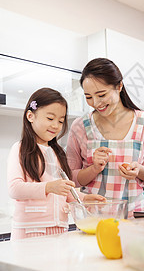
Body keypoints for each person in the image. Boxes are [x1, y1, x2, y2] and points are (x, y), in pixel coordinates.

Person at [66, 58, 144, 218]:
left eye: (101, 94)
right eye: (88, 97)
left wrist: (139, 170)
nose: (96, 103)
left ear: (119, 86)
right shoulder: (80, 126)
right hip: (93, 219)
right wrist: (94, 168)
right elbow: (71, 178)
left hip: (134, 217)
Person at [7, 87, 105, 240]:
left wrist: (85, 198)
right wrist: (48, 187)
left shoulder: (58, 153)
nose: (56, 126)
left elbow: (64, 190)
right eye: (50, 118)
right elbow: (14, 189)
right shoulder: (20, 149)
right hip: (29, 231)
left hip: (59, 229)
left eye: (60, 121)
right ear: (30, 116)